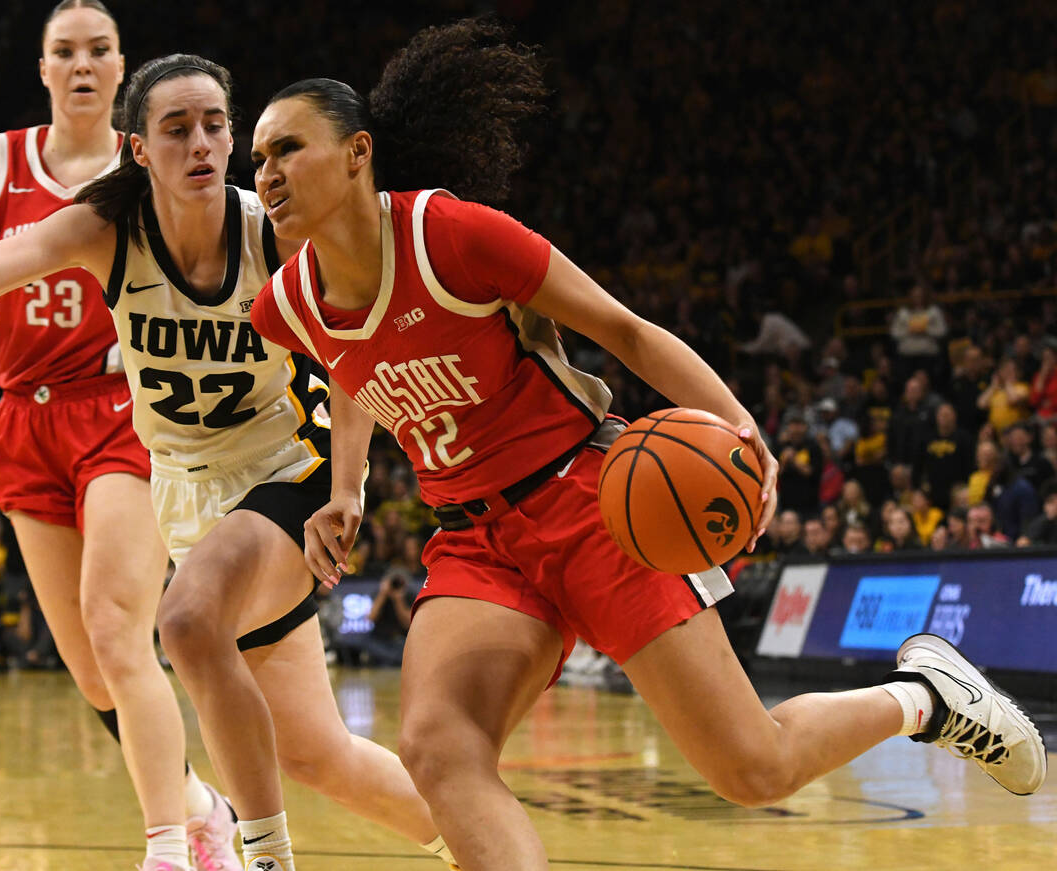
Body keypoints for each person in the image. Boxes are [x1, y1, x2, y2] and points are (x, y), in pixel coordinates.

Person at [246, 20, 1047, 869]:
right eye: (258, 159)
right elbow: (349, 359)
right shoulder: (284, 305)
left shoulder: (454, 235)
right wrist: (348, 486)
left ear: (358, 152)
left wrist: (741, 424)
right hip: (475, 541)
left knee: (754, 766)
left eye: (287, 148)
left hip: (595, 505)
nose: (266, 173)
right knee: (440, 751)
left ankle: (926, 698)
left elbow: (624, 330)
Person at [0, 52, 455, 871]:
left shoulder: (276, 234)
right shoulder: (108, 231)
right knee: (315, 752)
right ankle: (476, 839)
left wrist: (349, 485)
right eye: (177, 129)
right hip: (186, 495)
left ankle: (262, 857)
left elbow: (354, 354)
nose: (202, 144)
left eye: (216, 126)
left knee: (182, 620)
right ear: (138, 149)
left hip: (286, 474)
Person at [0, 4, 238, 868]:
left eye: (97, 51)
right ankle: (198, 803)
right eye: (64, 52)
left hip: (123, 407)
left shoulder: (145, 164)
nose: (81, 65)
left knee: (116, 627)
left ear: (120, 68)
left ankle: (166, 846)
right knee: (89, 667)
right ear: (42, 69)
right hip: (24, 418)